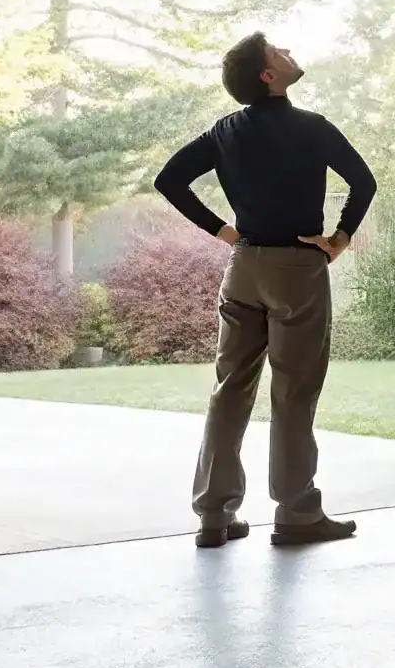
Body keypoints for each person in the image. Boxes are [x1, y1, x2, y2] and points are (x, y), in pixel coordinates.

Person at [154, 31, 377, 548]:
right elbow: (363, 182)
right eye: (279, 52)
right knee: (293, 392)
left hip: (244, 267)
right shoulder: (312, 128)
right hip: (297, 268)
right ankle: (297, 512)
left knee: (229, 388)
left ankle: (214, 514)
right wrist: (339, 239)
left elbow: (170, 180)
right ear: (268, 76)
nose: (290, 51)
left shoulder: (226, 131)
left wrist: (223, 231)